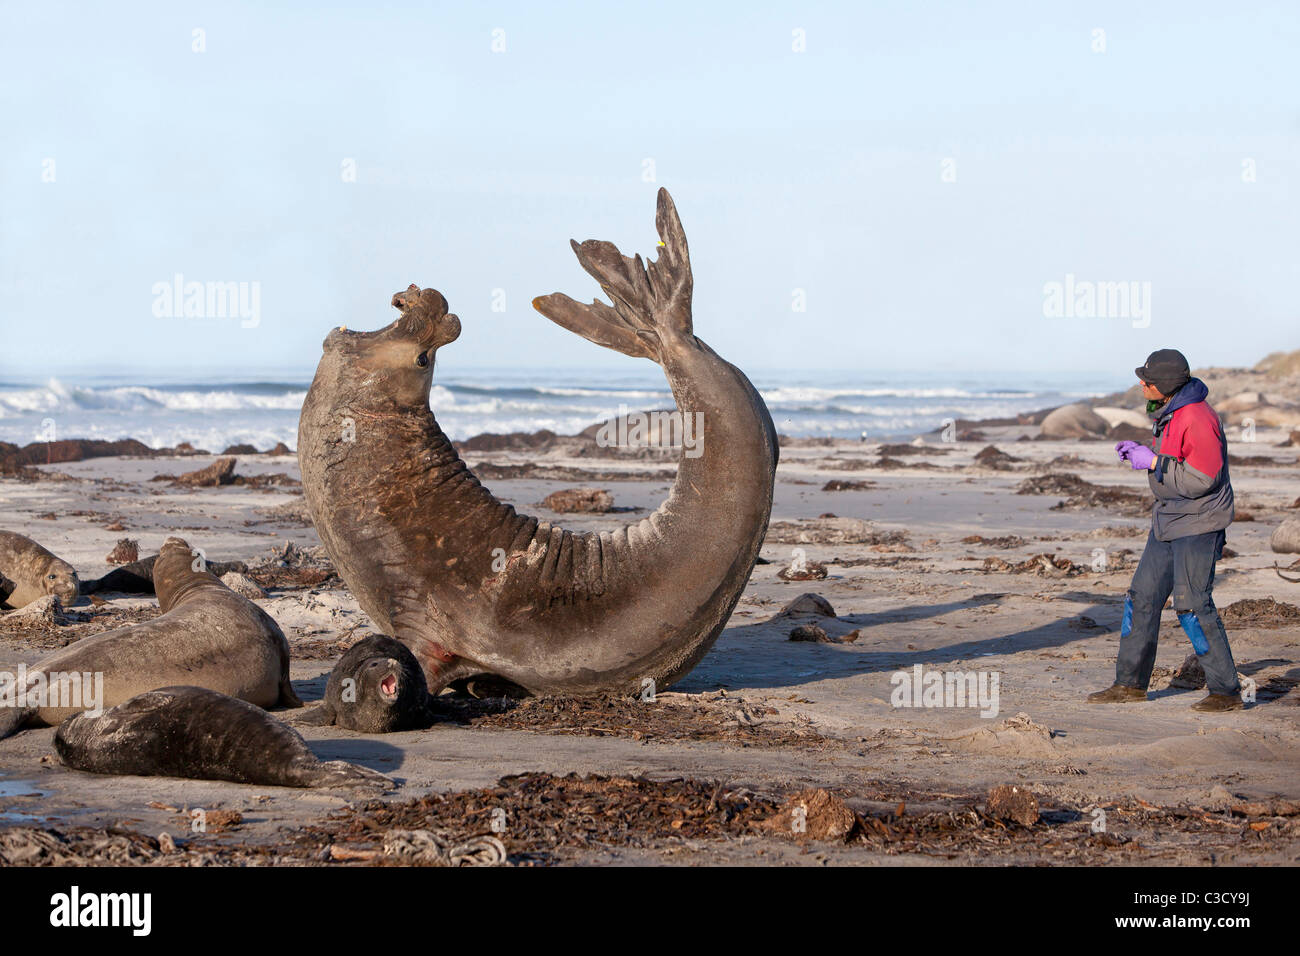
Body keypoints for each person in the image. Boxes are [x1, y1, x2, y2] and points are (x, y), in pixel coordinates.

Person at [1089, 348, 1243, 712]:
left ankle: (1226, 692)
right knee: (1141, 597)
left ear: (1168, 384)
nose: (1142, 385)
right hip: (1168, 519)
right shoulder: (1169, 412)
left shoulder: (1198, 417)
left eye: (1148, 380)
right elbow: (1175, 461)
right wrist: (1142, 453)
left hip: (1200, 522)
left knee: (1192, 605)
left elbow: (1203, 479)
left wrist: (1154, 462)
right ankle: (1129, 685)